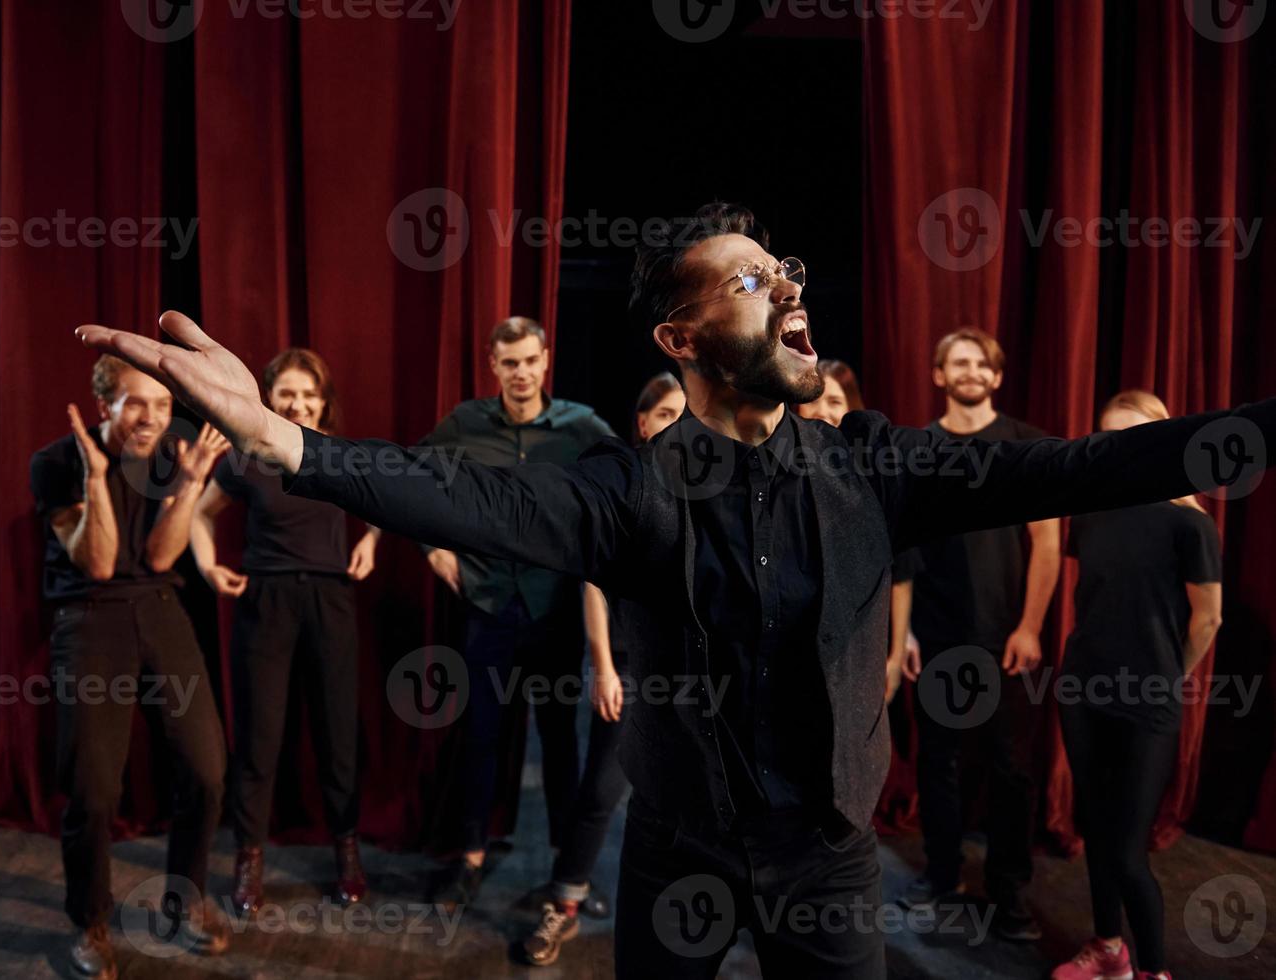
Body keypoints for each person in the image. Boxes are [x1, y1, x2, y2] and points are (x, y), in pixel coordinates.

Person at [75, 201, 1275, 979]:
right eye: (751, 279)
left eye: (784, 268)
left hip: (829, 860)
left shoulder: (875, 467)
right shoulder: (624, 491)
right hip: (681, 853)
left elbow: (1080, 464)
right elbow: (451, 493)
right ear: (680, 337)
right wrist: (286, 444)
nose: (787, 287)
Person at [29, 355, 232, 980]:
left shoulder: (173, 457)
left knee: (206, 770)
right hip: (89, 616)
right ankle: (90, 920)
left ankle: (184, 899)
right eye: (136, 403)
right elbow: (98, 562)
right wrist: (95, 481)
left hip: (160, 607)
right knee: (93, 790)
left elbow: (160, 554)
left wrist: (192, 485)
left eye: (163, 405)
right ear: (104, 405)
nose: (151, 417)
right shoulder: (56, 463)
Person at [416, 317, 617, 911]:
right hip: (489, 605)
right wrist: (434, 547)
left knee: (560, 743)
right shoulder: (466, 423)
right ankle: (470, 859)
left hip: (554, 607)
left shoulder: (580, 427)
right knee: (480, 737)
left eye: (531, 360)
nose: (522, 373)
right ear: (493, 366)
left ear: (546, 359)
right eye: (510, 363)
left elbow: (625, 487)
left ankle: (567, 870)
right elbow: (409, 477)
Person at [189, 347, 381, 913]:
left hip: (330, 601)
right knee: (259, 738)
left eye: (307, 394)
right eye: (286, 393)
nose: (297, 402)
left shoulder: (343, 457)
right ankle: (248, 856)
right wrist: (206, 565)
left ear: (324, 403)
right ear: (269, 397)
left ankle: (347, 849)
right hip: (265, 601)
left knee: (337, 735)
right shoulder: (245, 457)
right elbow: (201, 514)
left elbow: (386, 510)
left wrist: (370, 540)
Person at [1051, 391, 1223, 980]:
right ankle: (1108, 949)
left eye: (1135, 433)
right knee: (1094, 832)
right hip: (1081, 691)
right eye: (1109, 436)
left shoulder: (1190, 523)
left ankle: (1153, 970)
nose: (1120, 446)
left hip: (1147, 701)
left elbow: (1208, 619)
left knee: (1126, 851)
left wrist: (1167, 673)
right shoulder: (1091, 511)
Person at [897, 327, 1061, 942]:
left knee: (1011, 768)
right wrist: (905, 631)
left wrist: (1030, 625)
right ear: (939, 375)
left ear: (996, 376)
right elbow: (903, 543)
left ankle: (1009, 891)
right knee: (938, 763)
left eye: (980, 363)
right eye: (957, 362)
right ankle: (942, 878)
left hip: (1006, 640)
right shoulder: (914, 448)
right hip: (936, 636)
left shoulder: (1027, 445)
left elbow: (1047, 540)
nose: (969, 371)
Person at [521, 372, 684, 967]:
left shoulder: (715, 482)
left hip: (692, 670)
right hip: (631, 662)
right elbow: (595, 582)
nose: (674, 423)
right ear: (642, 422)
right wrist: (603, 663)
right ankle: (563, 901)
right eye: (663, 413)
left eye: (683, 413)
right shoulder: (626, 484)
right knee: (602, 788)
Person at [797, 359, 921, 705]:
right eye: (814, 399)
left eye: (835, 401)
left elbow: (901, 572)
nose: (823, 410)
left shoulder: (877, 477)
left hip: (862, 647)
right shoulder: (778, 473)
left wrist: (896, 654)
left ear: (852, 408)